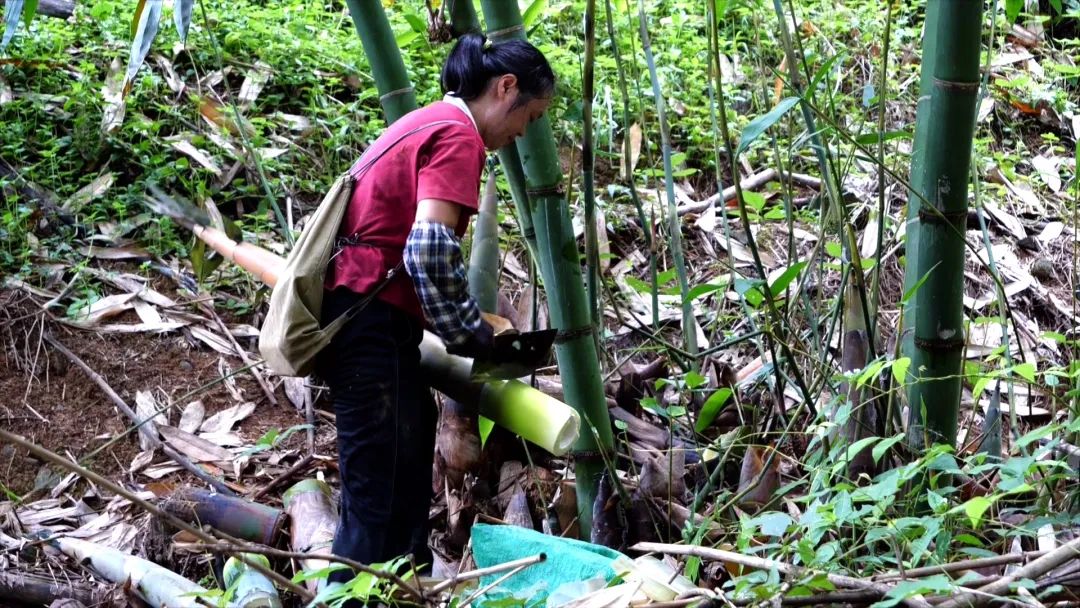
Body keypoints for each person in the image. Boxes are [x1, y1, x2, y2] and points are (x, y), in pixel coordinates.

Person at [315, 32, 555, 584]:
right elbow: (426, 250)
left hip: (365, 317)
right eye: (531, 116)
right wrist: (470, 333)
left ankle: (402, 589)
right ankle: (351, 596)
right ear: (506, 88)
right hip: (366, 321)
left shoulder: (425, 121)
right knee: (378, 497)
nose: (523, 132)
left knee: (401, 465)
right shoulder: (457, 134)